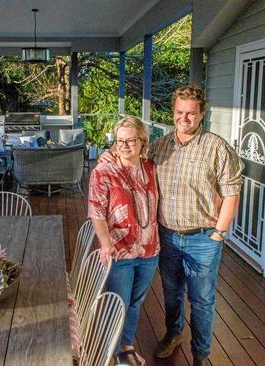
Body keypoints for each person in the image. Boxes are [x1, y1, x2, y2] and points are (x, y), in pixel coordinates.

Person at [100, 85, 244, 365]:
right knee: (172, 293)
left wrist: (219, 233)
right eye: (180, 112)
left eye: (191, 113)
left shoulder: (217, 148)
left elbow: (232, 193)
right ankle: (173, 333)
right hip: (167, 236)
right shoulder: (160, 146)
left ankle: (201, 355)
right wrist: (110, 155)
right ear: (173, 112)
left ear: (202, 114)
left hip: (204, 238)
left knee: (202, 300)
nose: (184, 118)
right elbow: (131, 155)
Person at [88, 116, 160, 366]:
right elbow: (96, 211)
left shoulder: (151, 168)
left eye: (131, 141)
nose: (125, 146)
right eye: (120, 141)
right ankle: (107, 352)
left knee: (135, 302)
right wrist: (106, 243)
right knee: (117, 303)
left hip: (150, 249)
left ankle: (125, 348)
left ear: (142, 142)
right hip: (120, 251)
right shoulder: (104, 171)